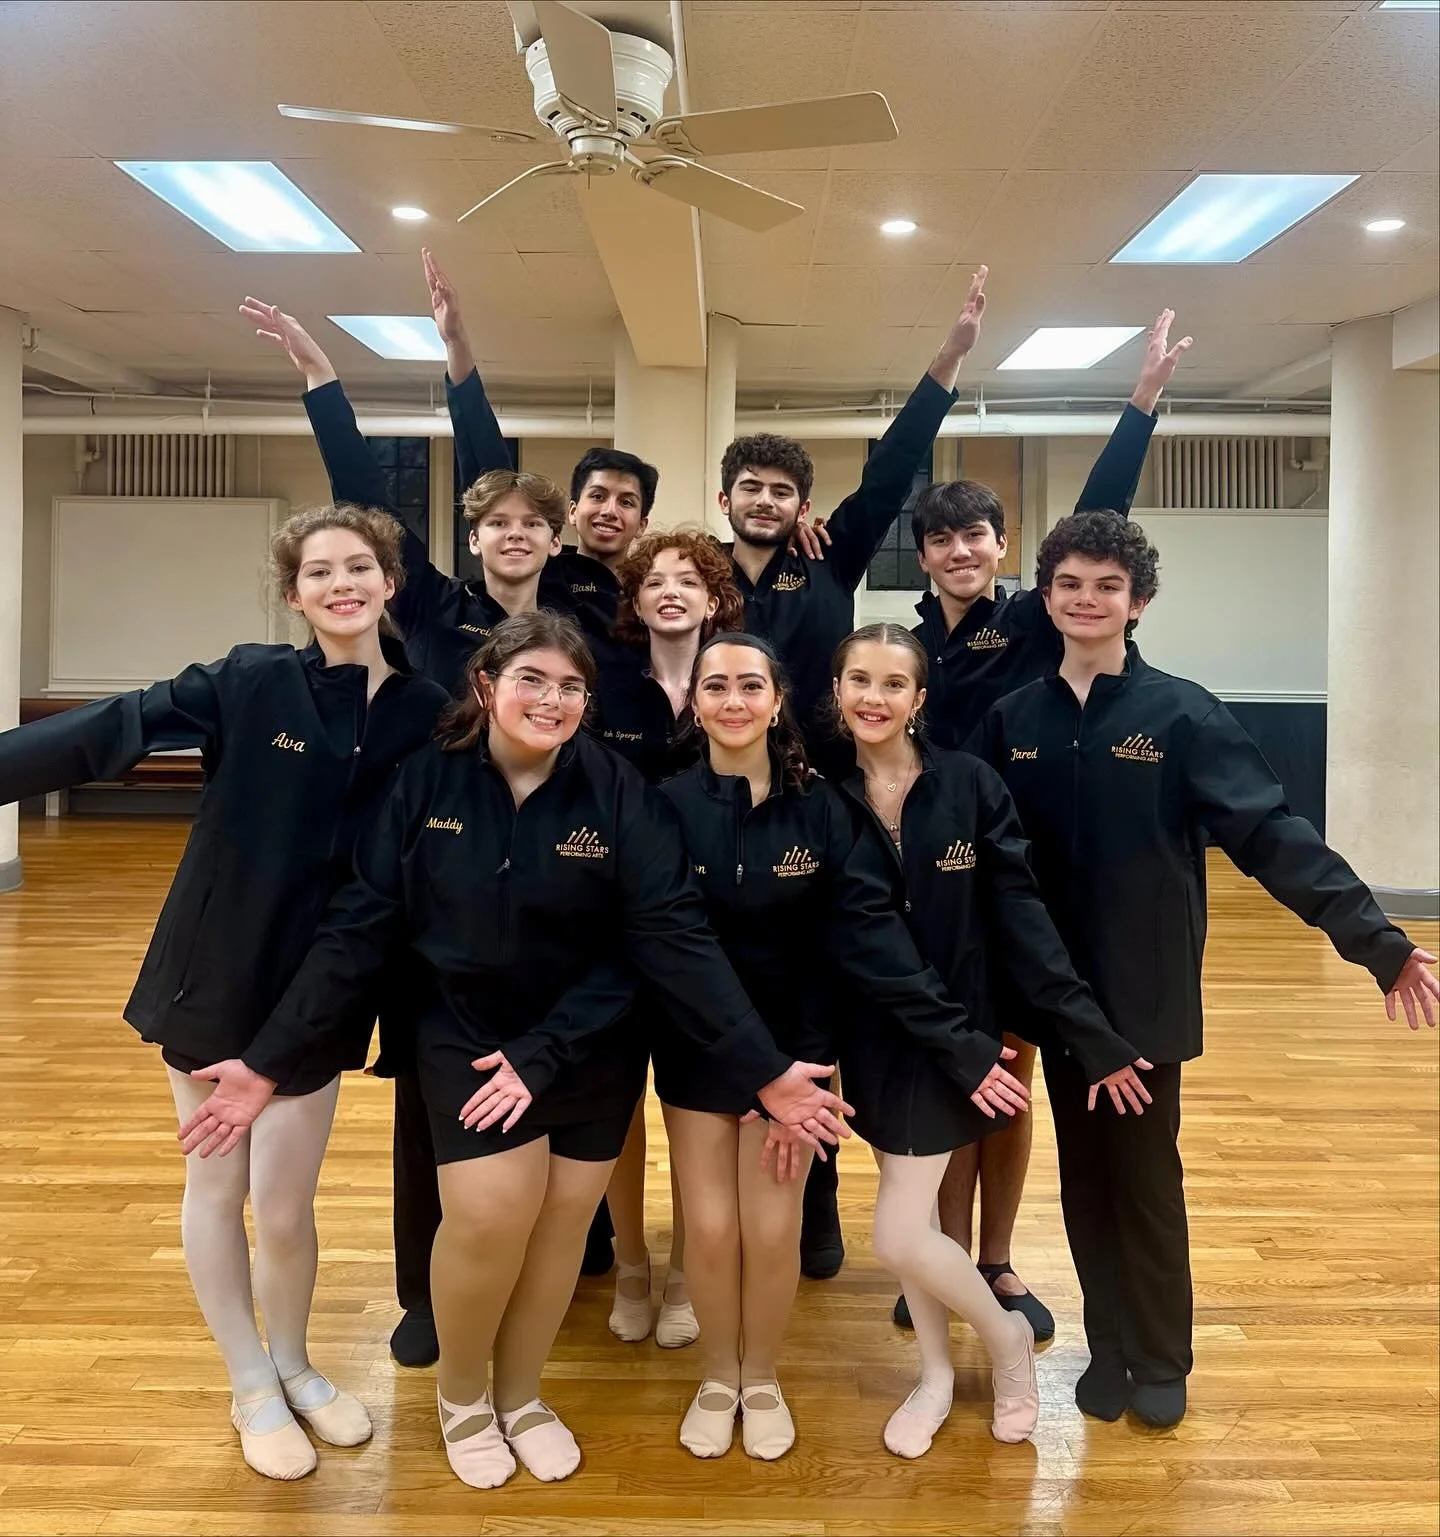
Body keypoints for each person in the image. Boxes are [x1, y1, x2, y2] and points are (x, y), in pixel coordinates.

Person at [173, 611, 854, 1490]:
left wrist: (761, 1071)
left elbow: (660, 940)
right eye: (532, 679)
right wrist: (268, 1061)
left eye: (571, 686)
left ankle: (523, 1394)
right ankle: (463, 1397)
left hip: (589, 1041)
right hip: (466, 1036)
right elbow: (359, 927)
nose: (552, 699)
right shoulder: (427, 782)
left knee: (564, 1224)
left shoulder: (618, 791)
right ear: (487, 684)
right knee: (492, 1214)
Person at [0, 505, 450, 1480]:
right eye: (319, 571)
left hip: (326, 987)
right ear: (294, 594)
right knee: (219, 1183)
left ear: (390, 582)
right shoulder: (251, 680)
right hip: (217, 972)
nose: (341, 583)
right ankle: (249, 1380)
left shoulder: (426, 712)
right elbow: (108, 731)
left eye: (359, 566)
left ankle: (293, 1362)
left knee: (286, 1206)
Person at [969, 511, 1440, 1430]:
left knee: (1144, 1177)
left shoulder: (1182, 714)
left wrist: (1376, 942)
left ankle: (1160, 1355)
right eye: (1070, 584)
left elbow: (1271, 834)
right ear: (1047, 597)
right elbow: (988, 861)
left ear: (1138, 602)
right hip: (1055, 996)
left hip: (1145, 995)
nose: (1088, 600)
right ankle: (1109, 1346)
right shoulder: (1012, 720)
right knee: (1084, 1179)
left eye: (1108, 586)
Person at [243, 295, 613, 1367]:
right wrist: (342, 379)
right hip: (434, 878)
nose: (514, 533)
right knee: (431, 1096)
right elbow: (365, 496)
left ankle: (562, 1256)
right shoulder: (437, 611)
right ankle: (424, 1289)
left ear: (552, 539)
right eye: (497, 521)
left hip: (550, 878)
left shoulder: (581, 630)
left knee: (559, 1061)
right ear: (475, 536)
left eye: (532, 523)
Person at [654, 630, 1061, 1458]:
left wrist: (804, 1067)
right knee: (712, 1230)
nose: (733, 700)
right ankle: (725, 1377)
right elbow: (673, 946)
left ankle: (767, 1378)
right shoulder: (666, 804)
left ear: (779, 700)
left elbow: (850, 938)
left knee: (792, 1232)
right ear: (692, 702)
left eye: (751, 685)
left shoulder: (823, 806)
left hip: (807, 1059)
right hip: (708, 1049)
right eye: (715, 685)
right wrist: (762, 1065)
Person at [892, 309, 1193, 1339]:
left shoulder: (1029, 618)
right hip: (932, 878)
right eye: (941, 538)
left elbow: (1100, 514)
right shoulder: (906, 643)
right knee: (951, 1076)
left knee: (1010, 1077)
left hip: (1018, 882)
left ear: (1002, 546)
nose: (959, 550)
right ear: (924, 555)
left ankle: (997, 1257)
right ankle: (940, 1258)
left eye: (976, 535)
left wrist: (1141, 401)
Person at [715, 267, 990, 1280]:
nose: (767, 500)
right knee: (729, 997)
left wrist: (946, 362)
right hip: (723, 813)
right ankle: (725, 1193)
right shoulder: (693, 574)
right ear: (725, 499)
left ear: (802, 505)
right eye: (751, 487)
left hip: (826, 814)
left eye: (782, 490)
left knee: (817, 999)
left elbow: (893, 468)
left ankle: (818, 1194)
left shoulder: (827, 562)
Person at [827, 622, 1150, 1456]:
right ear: (836, 690)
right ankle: (936, 1374)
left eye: (893, 683)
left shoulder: (970, 783)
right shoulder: (819, 795)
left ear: (919, 698)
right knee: (912, 1216)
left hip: (959, 1038)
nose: (873, 697)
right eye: (859, 679)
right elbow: (856, 941)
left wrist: (1085, 1028)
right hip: (872, 1037)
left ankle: (1006, 1341)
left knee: (899, 1231)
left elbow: (1020, 914)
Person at [591, 530, 746, 1348]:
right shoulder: (607, 688)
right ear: (636, 600)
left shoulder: (735, 684)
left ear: (714, 597)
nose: (671, 590)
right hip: (615, 926)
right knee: (619, 1109)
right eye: (654, 580)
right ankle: (631, 1262)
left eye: (689, 578)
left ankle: (686, 1270)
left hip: (710, 930)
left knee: (695, 1111)